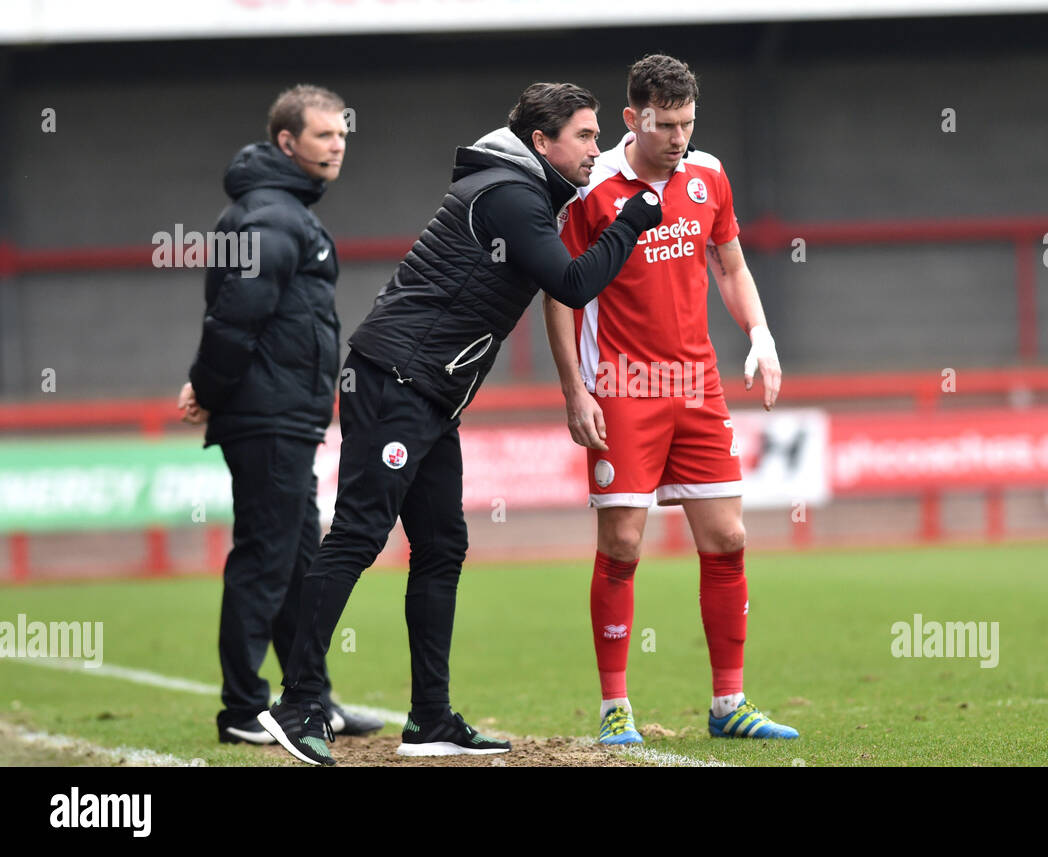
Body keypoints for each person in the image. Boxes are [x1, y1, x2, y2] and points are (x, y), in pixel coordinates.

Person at [258, 82, 663, 765]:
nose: (597, 149)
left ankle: (430, 719)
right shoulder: (510, 194)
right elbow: (570, 282)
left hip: (429, 392)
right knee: (358, 532)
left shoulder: (522, 188)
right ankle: (298, 702)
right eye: (586, 136)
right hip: (395, 379)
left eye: (598, 135)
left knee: (443, 544)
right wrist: (634, 217)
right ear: (542, 142)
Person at [543, 54, 798, 744]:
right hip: (622, 388)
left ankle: (729, 703)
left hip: (697, 383)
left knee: (729, 538)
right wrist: (574, 390)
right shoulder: (590, 187)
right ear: (632, 118)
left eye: (688, 123)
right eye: (666, 125)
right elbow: (561, 293)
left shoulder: (708, 175)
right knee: (623, 544)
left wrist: (761, 334)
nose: (679, 136)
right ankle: (615, 707)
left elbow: (732, 265)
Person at [179, 84, 382, 745]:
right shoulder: (271, 216)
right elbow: (236, 318)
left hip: (286, 413)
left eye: (342, 133)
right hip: (267, 415)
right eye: (325, 135)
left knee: (298, 565)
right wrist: (208, 386)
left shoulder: (284, 210)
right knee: (266, 560)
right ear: (287, 143)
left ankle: (311, 700)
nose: (339, 144)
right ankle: (243, 709)